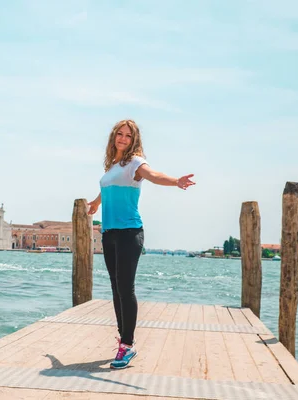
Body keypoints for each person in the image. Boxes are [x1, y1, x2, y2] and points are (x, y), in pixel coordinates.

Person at [87, 119, 195, 369]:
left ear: (134, 140)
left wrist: (175, 181)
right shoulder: (113, 166)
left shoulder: (135, 163)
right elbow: (108, 187)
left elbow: (154, 175)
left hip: (129, 233)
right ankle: (123, 339)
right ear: (114, 137)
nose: (123, 138)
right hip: (109, 233)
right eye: (119, 134)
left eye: (128, 135)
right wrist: (96, 203)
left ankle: (127, 344)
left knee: (125, 288)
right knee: (115, 288)